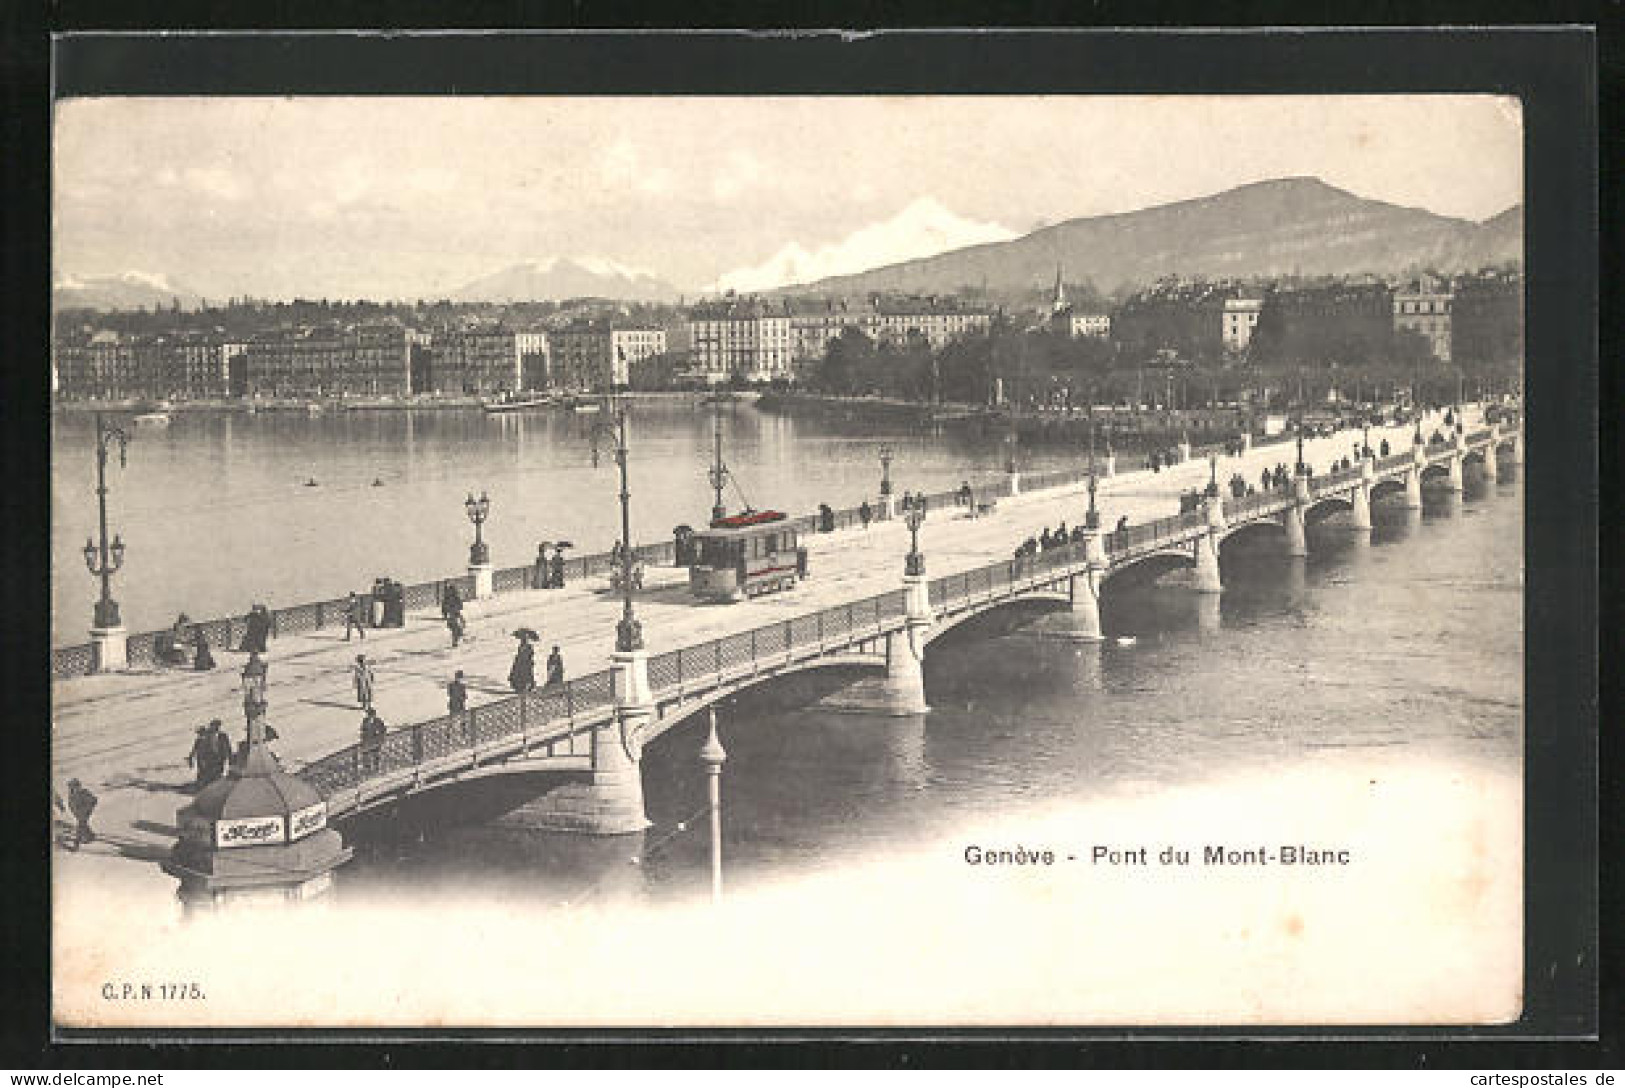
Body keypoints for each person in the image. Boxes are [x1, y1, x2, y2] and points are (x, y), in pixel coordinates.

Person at [65, 779, 97, 849]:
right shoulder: (71, 795)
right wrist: (75, 811)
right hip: (78, 813)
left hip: (84, 812)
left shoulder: (84, 792)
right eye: (71, 787)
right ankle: (89, 835)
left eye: (74, 786)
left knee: (81, 825)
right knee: (82, 824)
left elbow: (94, 799)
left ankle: (77, 843)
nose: (72, 788)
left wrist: (87, 808)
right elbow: (71, 805)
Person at [186, 725, 218, 789]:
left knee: (205, 772)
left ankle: (204, 785)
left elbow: (213, 750)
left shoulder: (208, 740)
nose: (200, 735)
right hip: (202, 759)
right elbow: (194, 750)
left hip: (206, 759)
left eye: (200, 733)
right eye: (199, 733)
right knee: (203, 772)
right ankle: (202, 785)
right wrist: (191, 758)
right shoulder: (200, 740)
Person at [441, 582, 465, 647]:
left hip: (453, 614)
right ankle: (456, 640)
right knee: (456, 628)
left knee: (457, 627)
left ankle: (457, 638)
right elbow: (460, 605)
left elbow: (444, 607)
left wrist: (445, 615)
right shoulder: (450, 598)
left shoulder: (449, 598)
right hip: (453, 614)